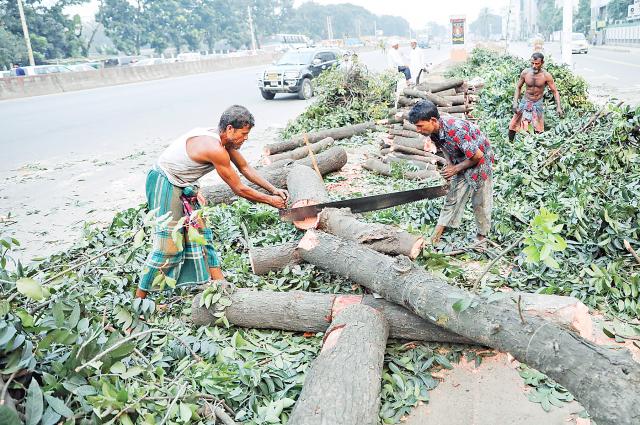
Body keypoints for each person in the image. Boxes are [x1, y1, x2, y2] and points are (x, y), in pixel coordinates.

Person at [136, 105, 288, 299]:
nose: (246, 138)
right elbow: (239, 188)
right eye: (244, 133)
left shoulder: (225, 141)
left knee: (202, 233)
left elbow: (245, 167)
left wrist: (273, 190)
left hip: (182, 182)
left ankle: (219, 284)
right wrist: (270, 201)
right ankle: (139, 299)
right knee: (168, 246)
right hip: (164, 182)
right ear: (230, 129)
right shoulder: (215, 148)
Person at [408, 100, 495, 244]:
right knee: (452, 198)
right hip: (461, 158)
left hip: (480, 161)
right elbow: (443, 147)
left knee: (480, 200)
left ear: (433, 120)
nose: (418, 130)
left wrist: (455, 169)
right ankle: (436, 236)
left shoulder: (456, 130)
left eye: (420, 126)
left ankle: (482, 236)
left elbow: (477, 156)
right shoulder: (433, 131)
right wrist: (449, 165)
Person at [508, 52, 563, 142]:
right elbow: (518, 87)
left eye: (537, 63)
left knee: (539, 128)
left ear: (542, 63)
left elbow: (555, 91)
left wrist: (559, 107)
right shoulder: (525, 73)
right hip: (525, 101)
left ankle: (538, 147)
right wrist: (515, 103)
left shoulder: (546, 76)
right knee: (513, 124)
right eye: (532, 63)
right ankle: (510, 143)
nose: (534, 66)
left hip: (537, 102)